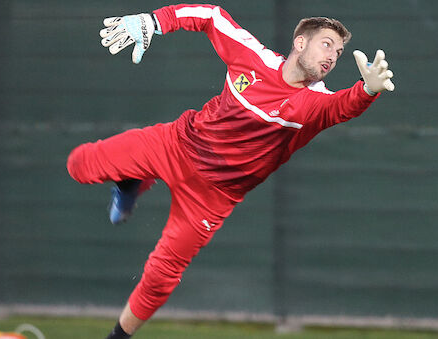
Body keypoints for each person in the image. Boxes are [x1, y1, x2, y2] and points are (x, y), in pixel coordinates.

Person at [66, 3, 394, 338]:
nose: (333, 56)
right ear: (300, 43)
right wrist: (153, 21)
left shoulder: (313, 104)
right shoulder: (253, 57)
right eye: (326, 44)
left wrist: (367, 90)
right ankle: (133, 181)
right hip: (175, 145)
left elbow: (343, 106)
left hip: (212, 196)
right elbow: (211, 16)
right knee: (78, 165)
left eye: (339, 52)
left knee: (162, 276)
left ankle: (117, 337)